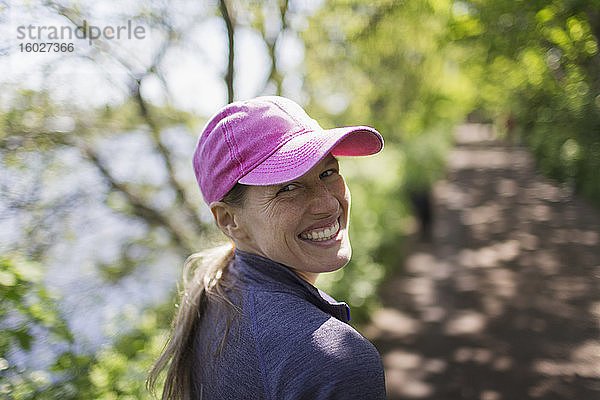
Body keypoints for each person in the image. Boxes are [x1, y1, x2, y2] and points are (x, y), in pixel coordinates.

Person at [148, 96, 386, 399]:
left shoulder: (220, 294)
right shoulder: (335, 361)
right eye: (288, 187)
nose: (328, 204)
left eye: (328, 172)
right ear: (230, 220)